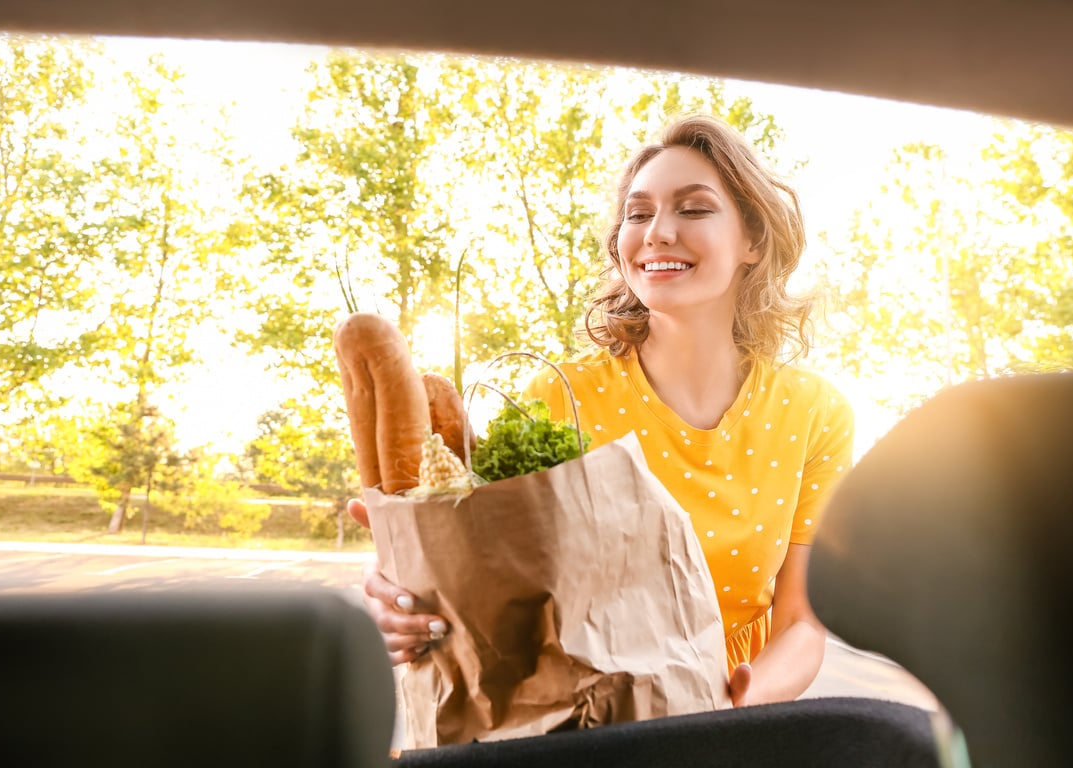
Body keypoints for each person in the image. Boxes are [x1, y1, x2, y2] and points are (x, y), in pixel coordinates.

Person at [347, 114, 855, 708]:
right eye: (638, 214)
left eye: (693, 209)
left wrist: (734, 704)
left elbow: (801, 622)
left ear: (754, 242)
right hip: (575, 718)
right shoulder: (558, 397)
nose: (658, 232)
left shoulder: (815, 414)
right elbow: (496, 593)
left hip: (730, 727)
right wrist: (410, 597)